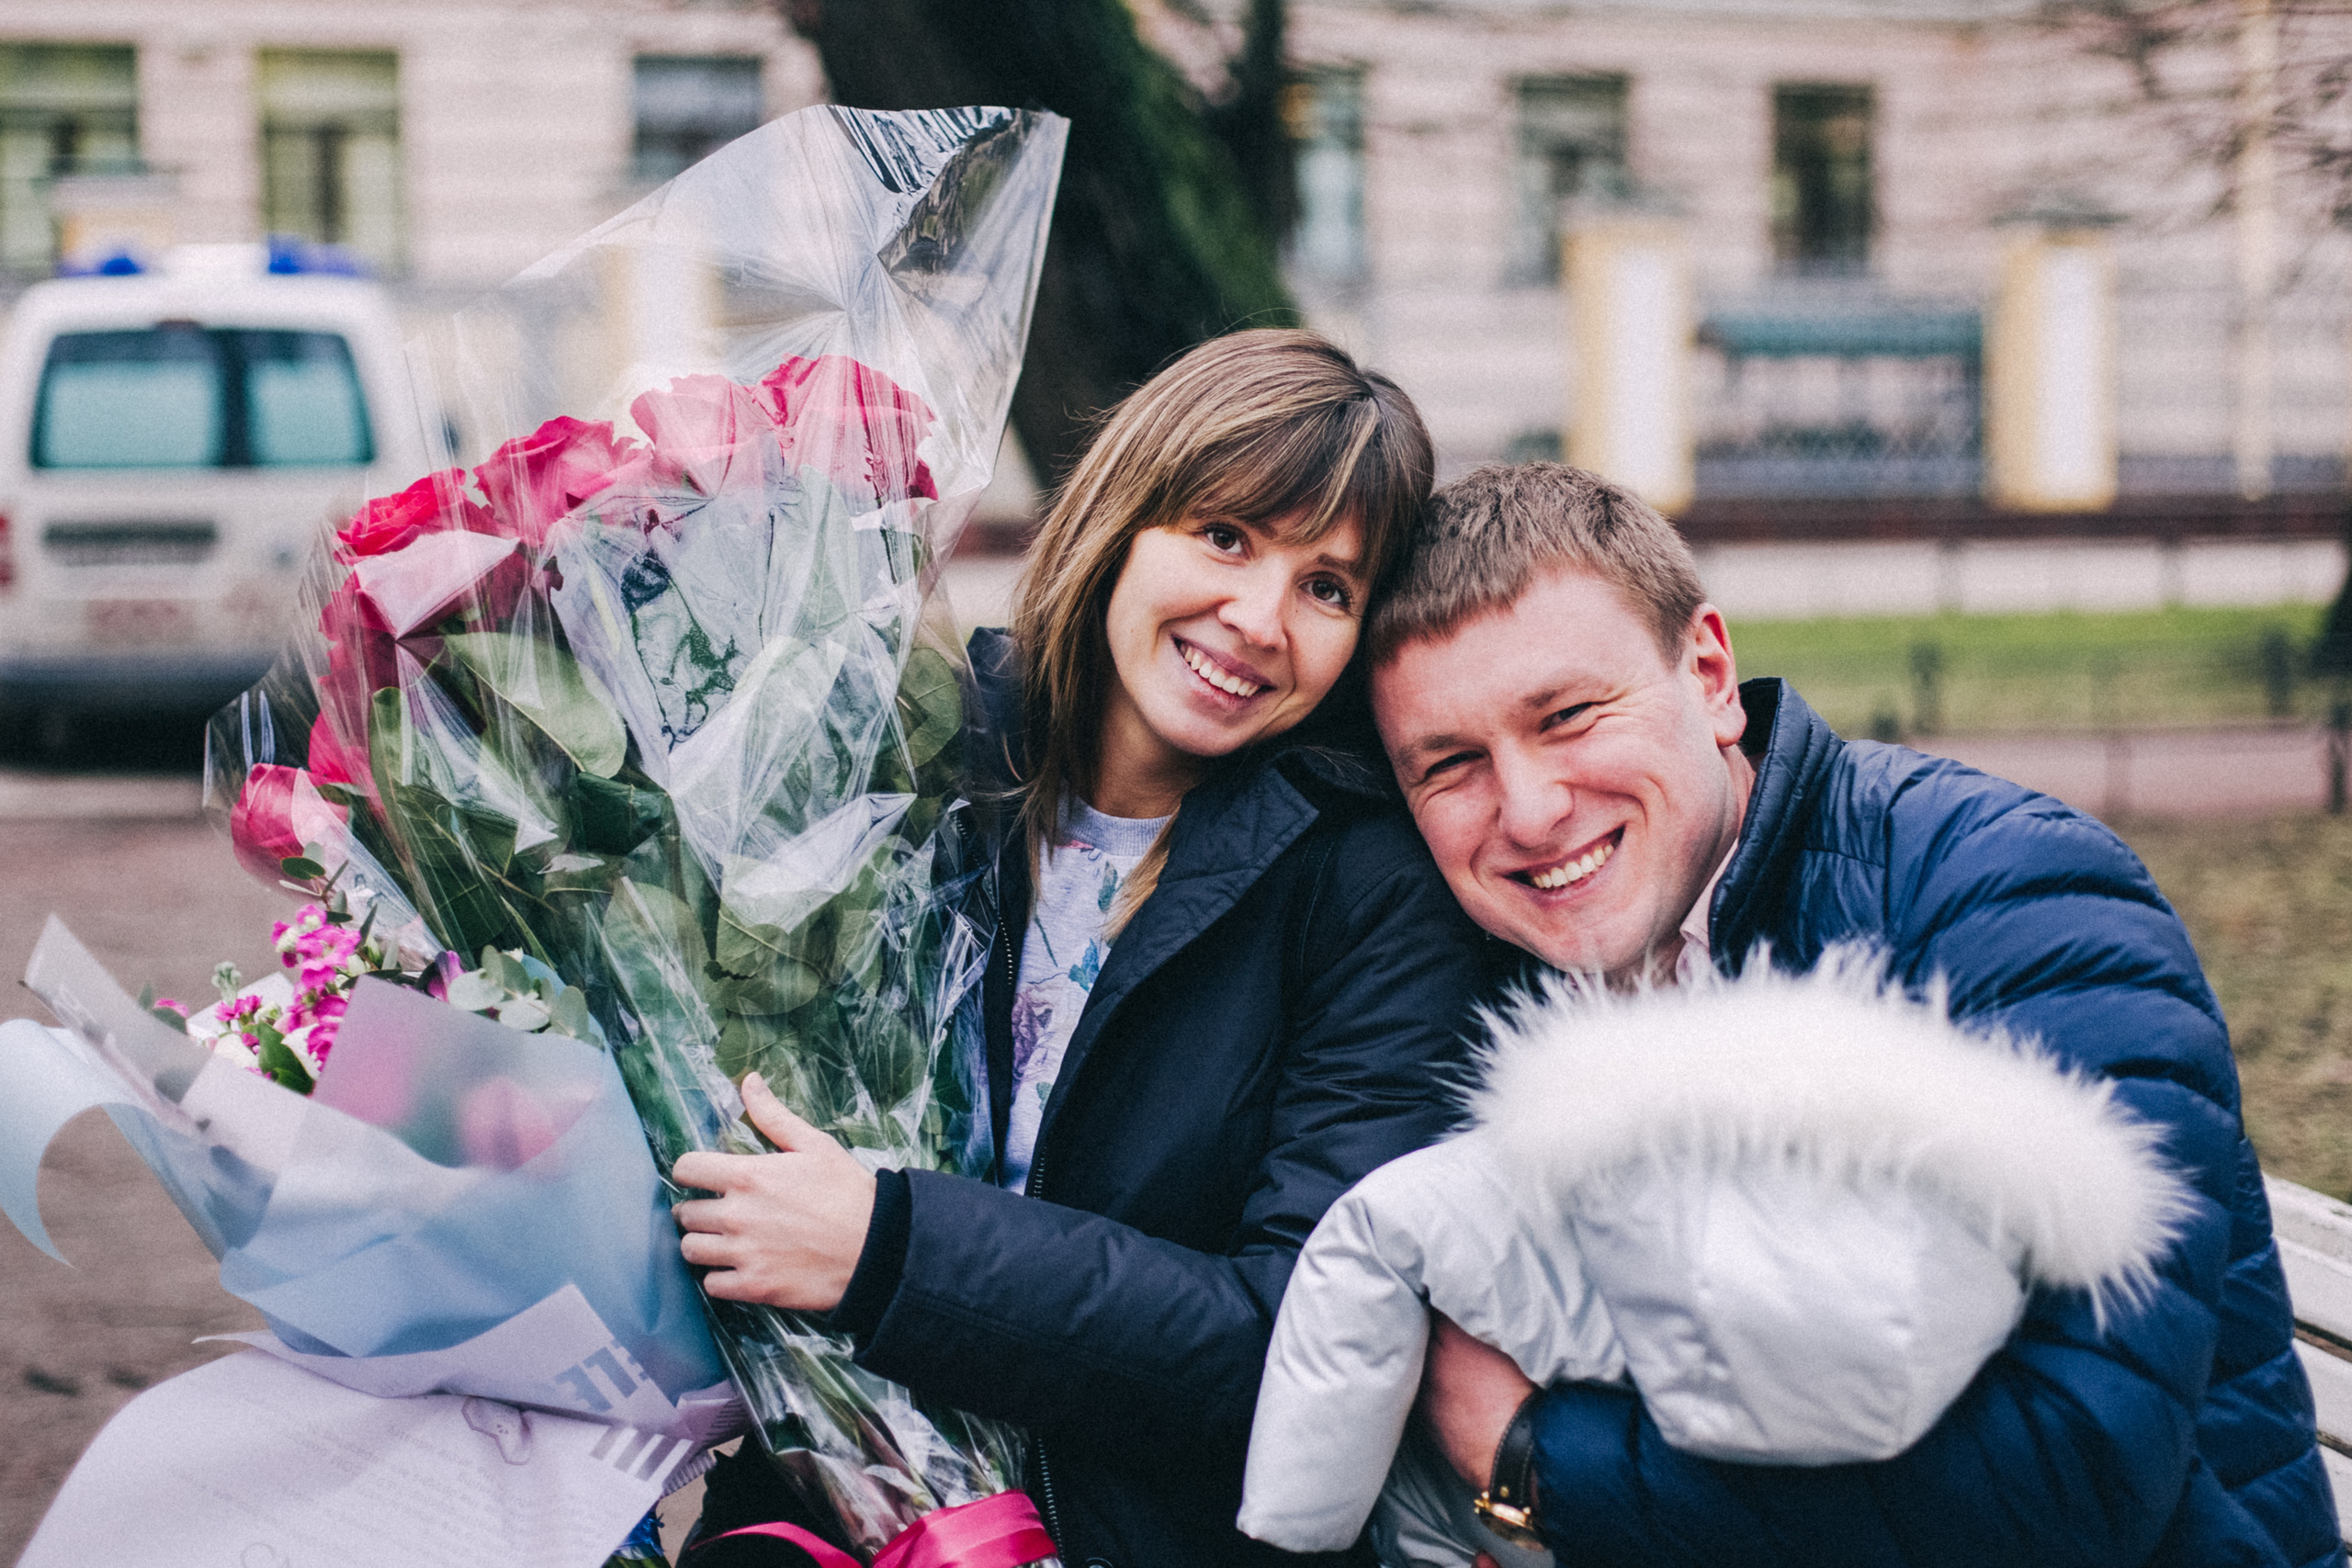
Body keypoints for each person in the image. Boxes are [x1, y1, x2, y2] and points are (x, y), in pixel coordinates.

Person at [1363, 462, 2338, 1567]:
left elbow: (2077, 1466)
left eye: (1570, 716)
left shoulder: (2009, 895)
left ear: (1710, 675)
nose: (1530, 811)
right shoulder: (1478, 972)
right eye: (1451, 765)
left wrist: (1531, 1456)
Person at [671, 329, 1491, 1567]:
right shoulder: (916, 759)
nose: (1260, 617)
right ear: (1125, 513)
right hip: (819, 1510)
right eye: (1226, 535)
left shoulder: (1375, 887)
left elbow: (1297, 1340)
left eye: (1329, 586)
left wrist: (890, 1247)